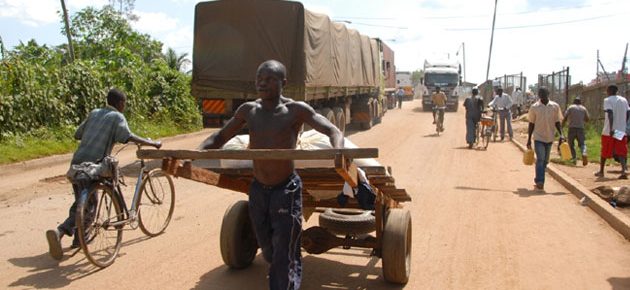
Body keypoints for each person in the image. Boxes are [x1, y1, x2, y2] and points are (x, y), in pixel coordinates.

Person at [199, 60, 343, 290]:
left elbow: (332, 130)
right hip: (258, 190)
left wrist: (338, 151)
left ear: (283, 83)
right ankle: (279, 262)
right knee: (267, 249)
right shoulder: (249, 110)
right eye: (259, 79)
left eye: (269, 79)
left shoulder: (296, 110)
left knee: (283, 250)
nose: (262, 83)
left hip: (285, 189)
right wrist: (194, 153)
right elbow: (219, 137)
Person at [46, 88, 162, 260]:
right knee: (89, 205)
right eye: (125, 104)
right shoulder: (117, 117)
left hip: (77, 163)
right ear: (121, 103)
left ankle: (80, 239)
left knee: (81, 202)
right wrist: (152, 143)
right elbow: (127, 136)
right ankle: (61, 230)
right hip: (94, 166)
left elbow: (77, 134)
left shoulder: (94, 112)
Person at [527, 87, 565, 190]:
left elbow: (557, 122)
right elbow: (531, 124)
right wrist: (529, 139)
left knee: (545, 161)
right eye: (540, 93)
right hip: (538, 137)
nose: (542, 94)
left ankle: (538, 178)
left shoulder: (555, 106)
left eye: (544, 92)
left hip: (550, 137)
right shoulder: (534, 107)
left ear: (548, 93)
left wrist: (562, 134)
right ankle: (540, 181)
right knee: (540, 159)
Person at [594, 85, 630, 179]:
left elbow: (610, 113)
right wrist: (623, 124)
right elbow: (628, 113)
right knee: (621, 150)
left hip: (609, 131)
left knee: (605, 150)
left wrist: (611, 129)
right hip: (621, 130)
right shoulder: (624, 100)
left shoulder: (607, 100)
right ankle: (624, 170)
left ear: (609, 91)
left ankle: (601, 171)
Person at [562, 96, 590, 165]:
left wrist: (562, 125)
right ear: (580, 102)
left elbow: (565, 117)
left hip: (572, 128)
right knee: (582, 144)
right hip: (581, 128)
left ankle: (574, 159)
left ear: (574, 102)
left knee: (571, 144)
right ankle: (584, 153)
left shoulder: (571, 107)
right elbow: (587, 119)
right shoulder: (583, 108)